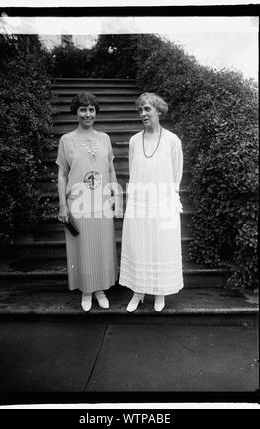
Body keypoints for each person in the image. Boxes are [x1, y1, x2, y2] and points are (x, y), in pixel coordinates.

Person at [119, 92, 184, 312]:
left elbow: (177, 172)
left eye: (147, 109)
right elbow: (133, 171)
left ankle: (159, 292)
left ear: (159, 111)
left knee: (160, 246)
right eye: (140, 110)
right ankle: (138, 291)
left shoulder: (172, 140)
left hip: (162, 201)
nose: (143, 114)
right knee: (139, 245)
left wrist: (172, 198)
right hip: (139, 201)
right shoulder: (134, 141)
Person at [56, 92, 120, 312]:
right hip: (78, 203)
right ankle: (86, 291)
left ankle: (100, 289)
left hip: (101, 203)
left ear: (96, 112)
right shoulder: (66, 140)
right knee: (82, 248)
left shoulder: (104, 138)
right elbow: (62, 174)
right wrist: (63, 205)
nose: (88, 114)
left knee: (101, 247)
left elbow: (111, 170)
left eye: (91, 109)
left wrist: (114, 196)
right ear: (76, 112)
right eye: (83, 109)